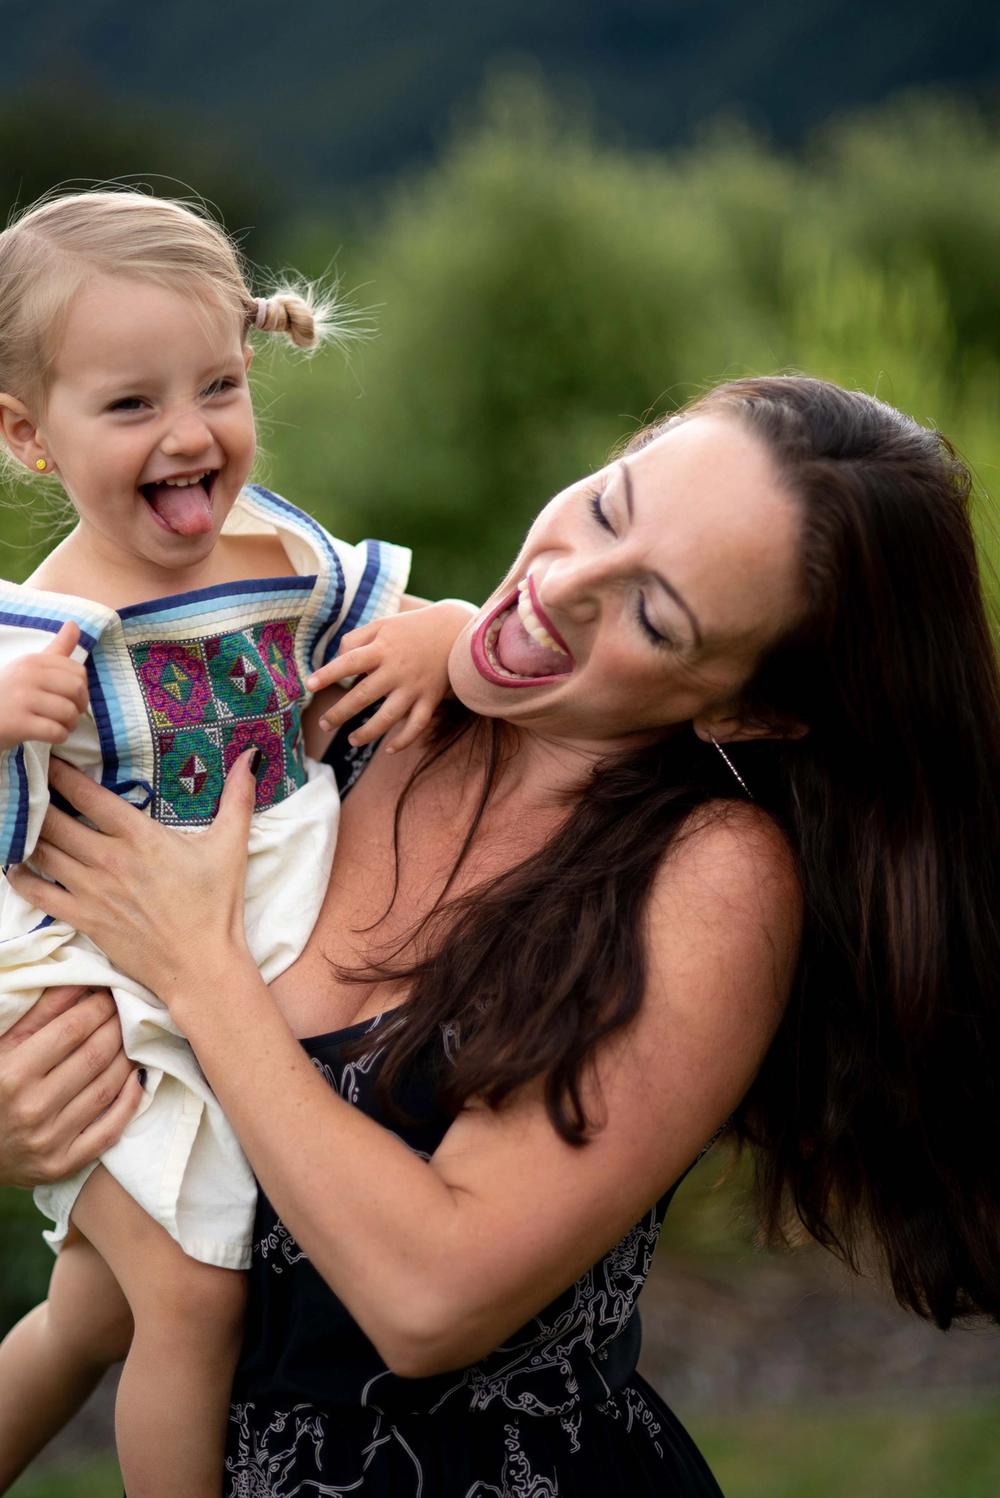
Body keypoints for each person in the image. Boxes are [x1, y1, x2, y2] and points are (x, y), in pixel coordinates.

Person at [3, 375, 999, 1496]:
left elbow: (430, 1299)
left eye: (653, 617)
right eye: (609, 506)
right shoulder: (340, 703)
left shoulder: (708, 875)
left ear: (745, 710)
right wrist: (25, 1116)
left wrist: (200, 973)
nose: (561, 585)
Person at [0, 190, 472, 1496]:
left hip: (233, 951)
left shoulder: (283, 558)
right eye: (132, 403)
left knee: (95, 1312)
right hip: (98, 985)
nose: (189, 432)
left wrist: (446, 633)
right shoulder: (40, 624)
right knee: (195, 1300)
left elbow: (408, 627)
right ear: (27, 436)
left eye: (214, 384)